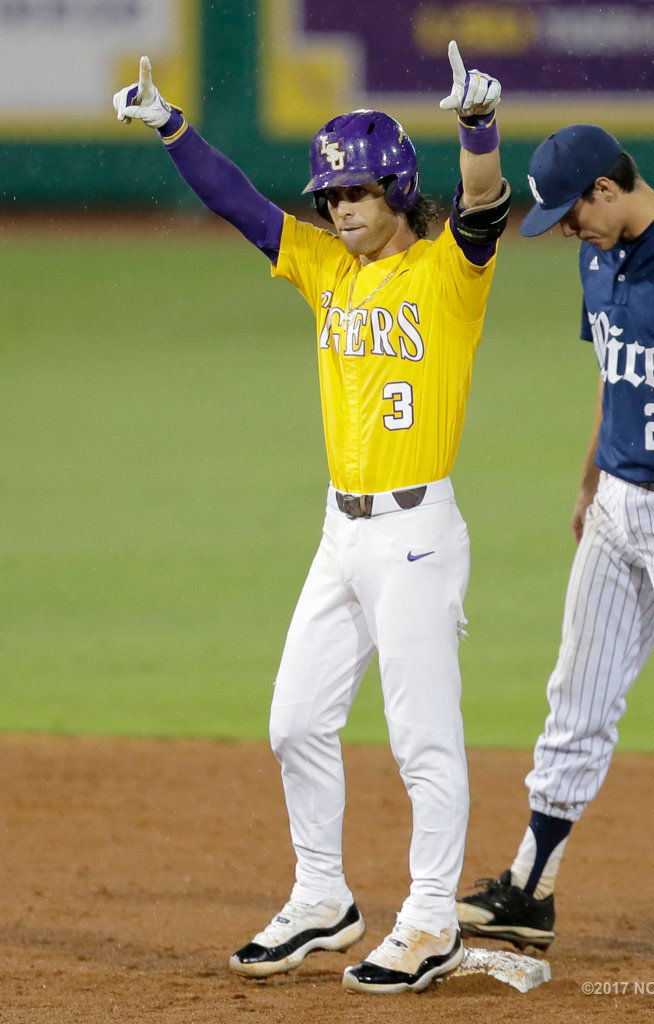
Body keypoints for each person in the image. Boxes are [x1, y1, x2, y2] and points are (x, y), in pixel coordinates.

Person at [114, 42, 509, 994]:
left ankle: (427, 920)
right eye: (331, 197)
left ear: (399, 192)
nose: (340, 210)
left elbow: (487, 208)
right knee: (295, 721)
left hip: (417, 536)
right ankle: (325, 897)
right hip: (341, 537)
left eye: (358, 195)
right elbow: (239, 203)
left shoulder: (449, 273)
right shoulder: (325, 266)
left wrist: (478, 124)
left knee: (424, 740)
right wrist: (172, 126)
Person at [456, 125, 654, 968]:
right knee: (577, 693)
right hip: (618, 504)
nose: (568, 231)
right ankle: (530, 886)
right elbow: (613, 375)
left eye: (573, 214)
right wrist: (588, 477)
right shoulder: (595, 261)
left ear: (608, 187)